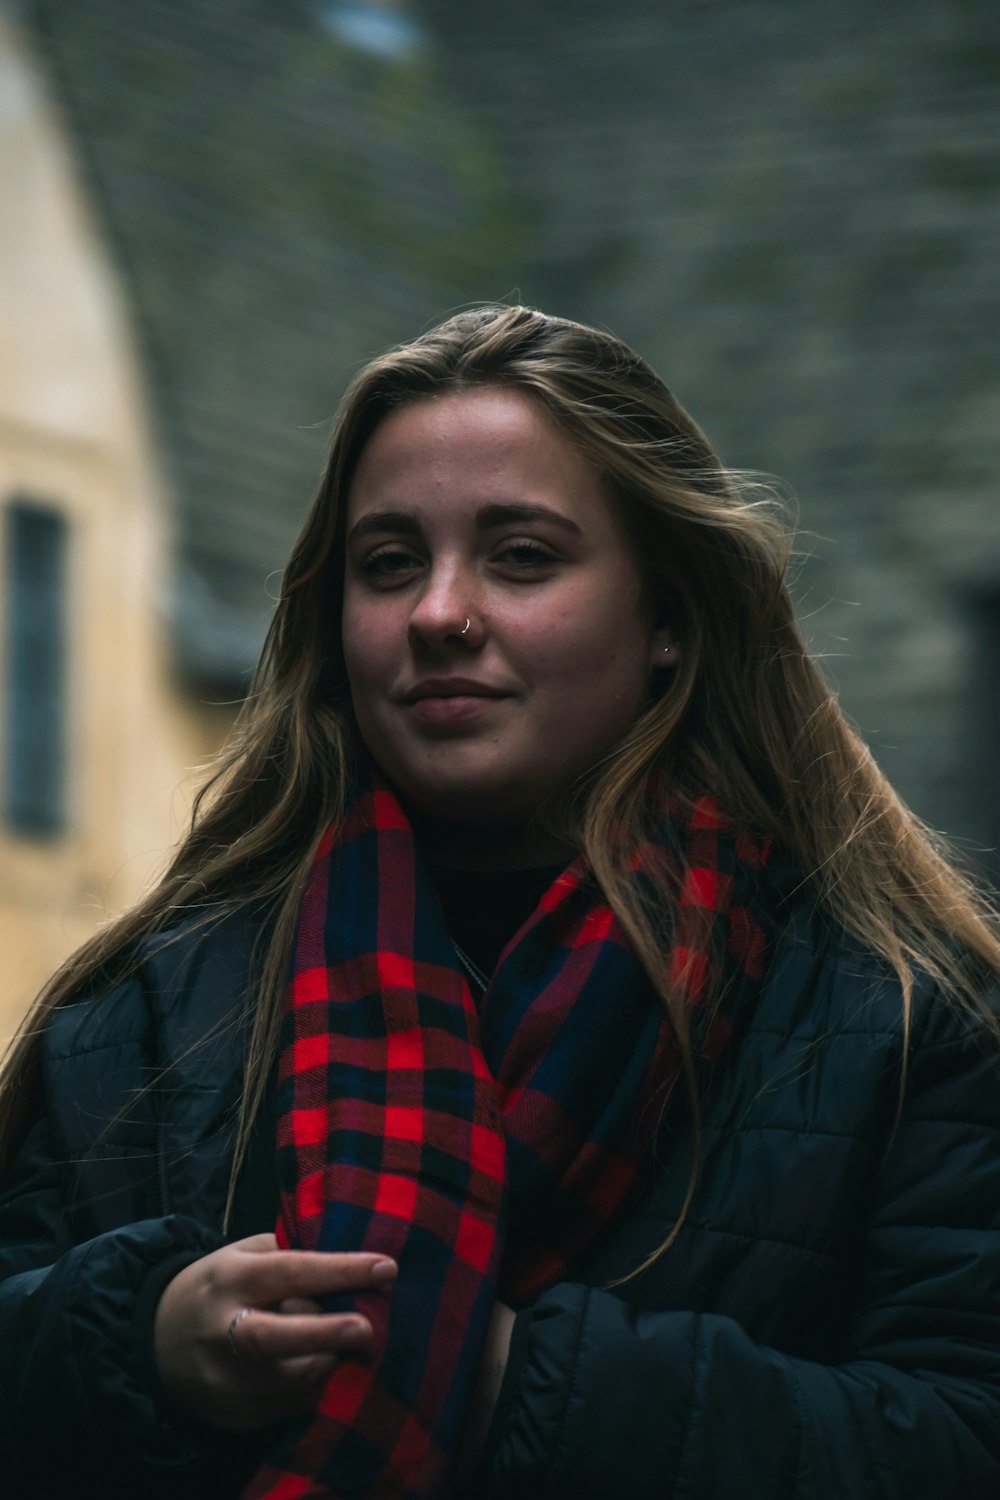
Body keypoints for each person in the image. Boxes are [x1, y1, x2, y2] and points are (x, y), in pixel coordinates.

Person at [1, 304, 999, 1500]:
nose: (437, 614)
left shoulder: (898, 1015)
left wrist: (505, 1383)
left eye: (521, 556)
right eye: (388, 565)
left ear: (670, 617)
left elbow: (957, 1437)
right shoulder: (146, 1011)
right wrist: (142, 1344)